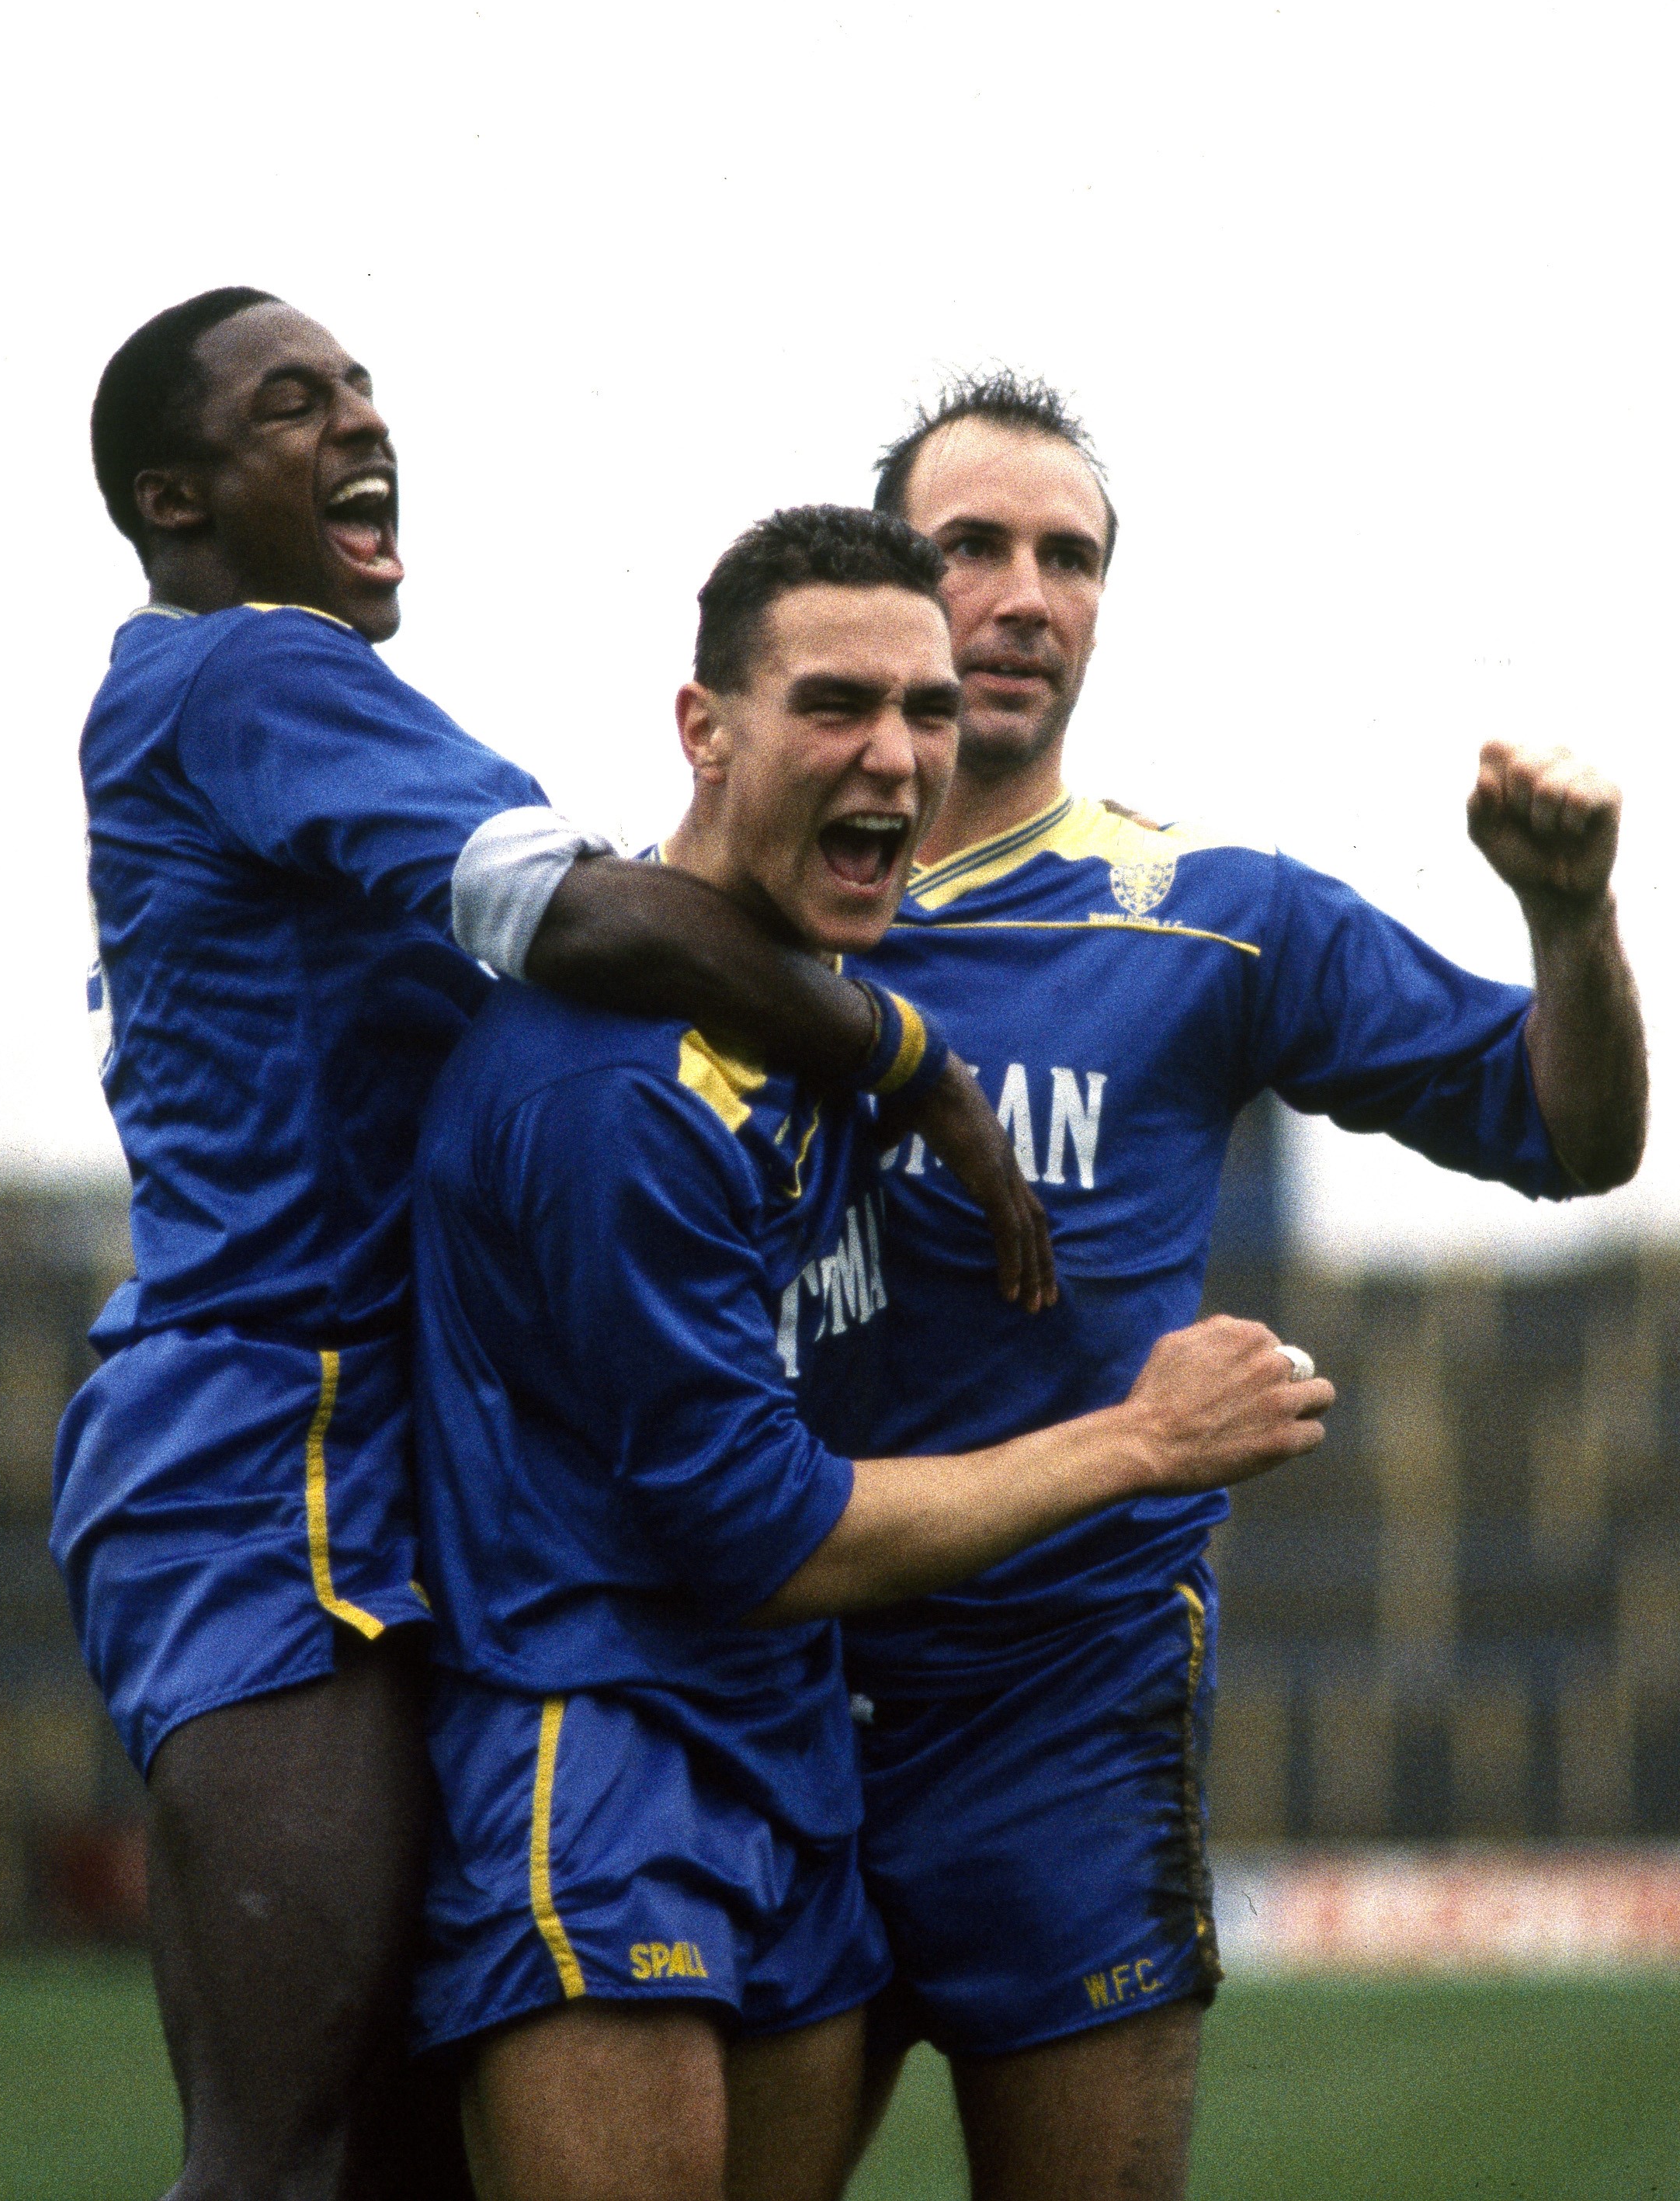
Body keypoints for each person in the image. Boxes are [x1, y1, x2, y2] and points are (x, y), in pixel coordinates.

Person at [52, 293, 1050, 2201]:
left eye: (360, 385)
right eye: (293, 403)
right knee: (289, 2145)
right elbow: (586, 925)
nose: (359, 417)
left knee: (370, 2148)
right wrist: (913, 1065)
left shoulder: (270, 700)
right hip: (273, 1448)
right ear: (175, 496)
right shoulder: (248, 672)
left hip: (357, 1441)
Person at [403, 505, 1339, 2201]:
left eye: (923, 710)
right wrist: (1137, 1441)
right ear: (705, 728)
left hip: (789, 1758)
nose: (896, 756)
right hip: (605, 1761)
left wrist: (925, 1075)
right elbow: (764, 1535)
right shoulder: (616, 1096)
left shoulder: (811, 1013)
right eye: (834, 704)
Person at [834, 373, 1650, 2199]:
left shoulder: (1214, 916)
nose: (1028, 594)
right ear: (878, 578)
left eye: (1072, 556)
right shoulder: (729, 932)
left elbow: (1567, 1129)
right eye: (973, 545)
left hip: (1067, 1717)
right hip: (770, 1699)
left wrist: (1572, 920)